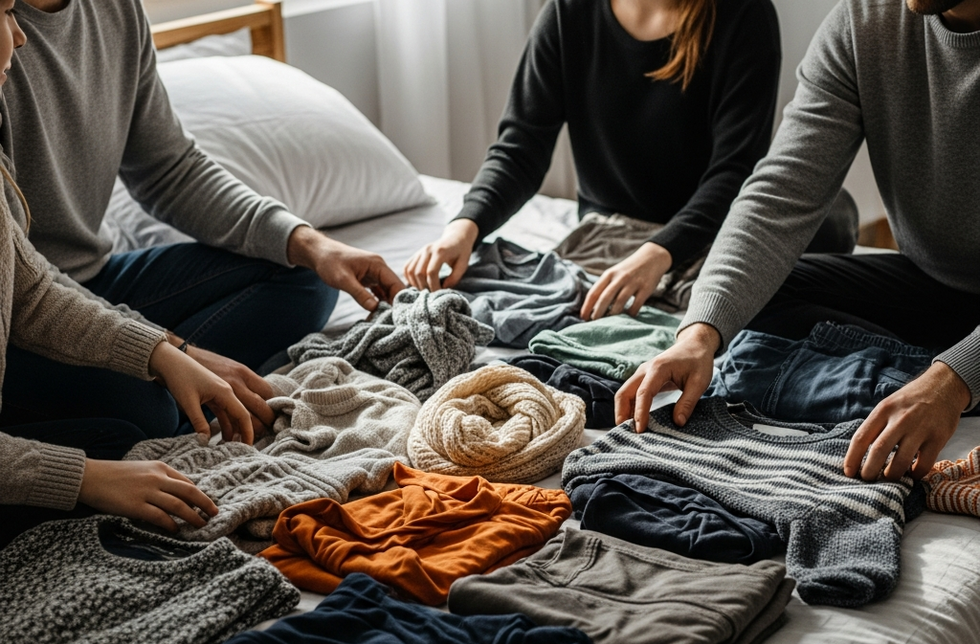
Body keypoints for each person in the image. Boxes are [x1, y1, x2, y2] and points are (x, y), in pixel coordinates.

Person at [0, 0, 404, 439]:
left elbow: (169, 169)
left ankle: (176, 382)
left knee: (308, 272)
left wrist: (312, 244)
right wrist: (176, 352)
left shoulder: (116, 9)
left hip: (94, 278)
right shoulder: (4, 37)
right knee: (146, 411)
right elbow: (29, 293)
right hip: (21, 310)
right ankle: (166, 387)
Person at [617, 0, 980, 483]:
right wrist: (698, 334)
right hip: (935, 286)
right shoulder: (864, 21)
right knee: (751, 305)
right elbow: (780, 194)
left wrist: (952, 382)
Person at [0, 0, 254, 550]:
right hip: (32, 336)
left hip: (84, 289)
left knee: (298, 276)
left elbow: (29, 293)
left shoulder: (117, 12)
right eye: (2, 14)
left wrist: (163, 352)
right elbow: (36, 288)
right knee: (128, 430)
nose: (20, 38)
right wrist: (83, 476)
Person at [407, 0, 798, 321]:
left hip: (707, 231)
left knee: (827, 219)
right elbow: (521, 145)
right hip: (607, 229)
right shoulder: (569, 12)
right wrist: (465, 226)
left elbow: (735, 171)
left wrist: (657, 253)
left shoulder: (744, 15)